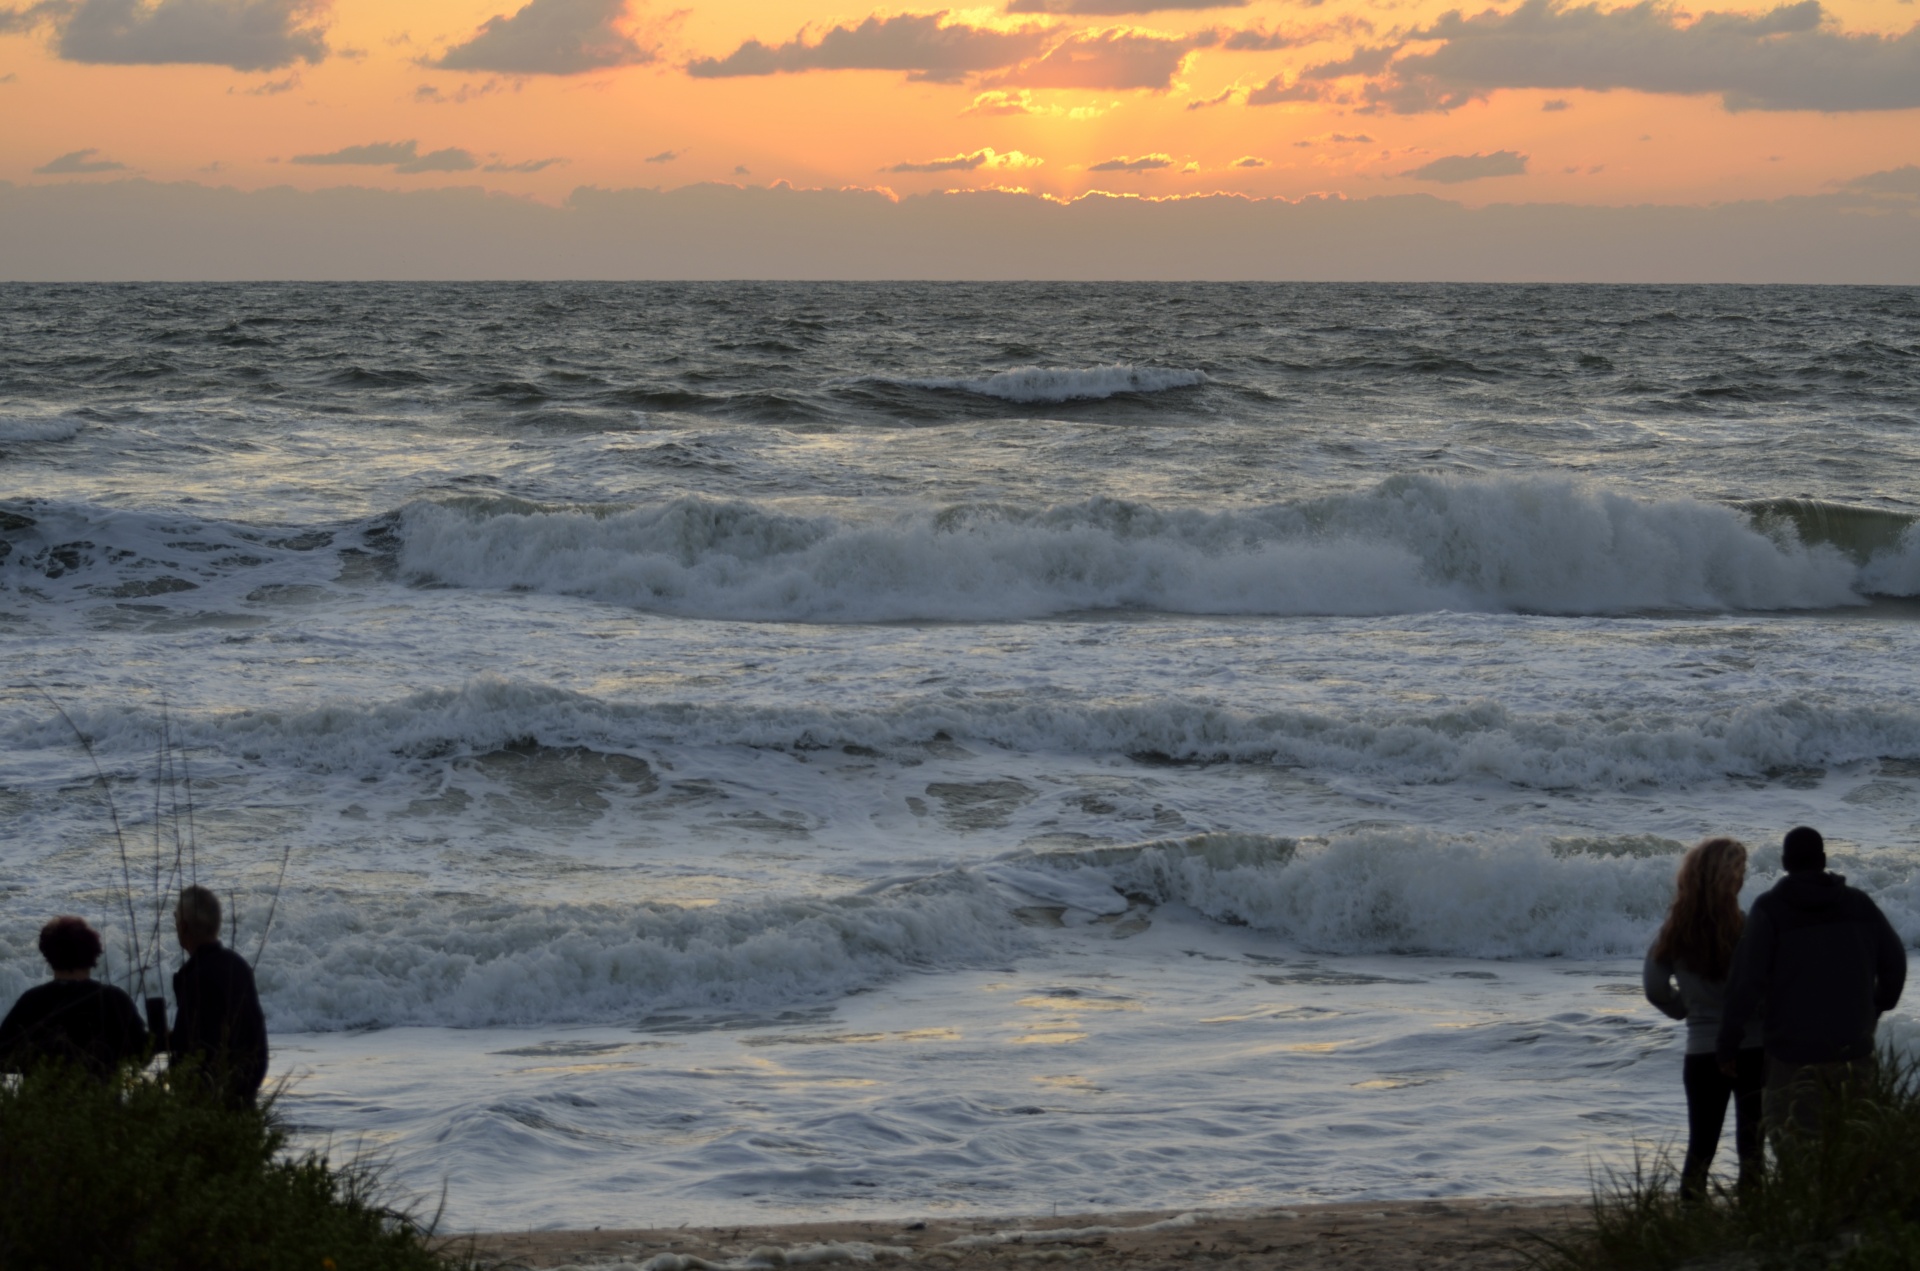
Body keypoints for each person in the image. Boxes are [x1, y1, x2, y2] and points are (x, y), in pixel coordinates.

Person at [1717, 826, 1907, 1138]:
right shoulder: (1860, 905)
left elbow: (1745, 984)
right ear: (1823, 859)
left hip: (1791, 1060)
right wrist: (1875, 1007)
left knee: (1796, 1157)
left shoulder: (1769, 910)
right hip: (1852, 1055)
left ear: (1785, 862)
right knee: (1852, 1158)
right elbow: (1895, 964)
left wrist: (1727, 1043)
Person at [1644, 837, 1766, 1198]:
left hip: (1702, 1048)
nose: (1743, 878)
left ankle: (1690, 1221)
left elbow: (1654, 987)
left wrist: (1684, 1009)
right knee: (1753, 1146)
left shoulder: (1674, 931)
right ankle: (1755, 1224)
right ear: (1731, 878)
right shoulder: (1749, 928)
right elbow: (1768, 983)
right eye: (1740, 871)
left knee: (1701, 1146)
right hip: (1755, 1047)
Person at [0, 915, 148, 1079]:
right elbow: (142, 1056)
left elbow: (4, 1056)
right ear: (93, 952)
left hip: (43, 1102)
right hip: (102, 1101)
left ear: (48, 954)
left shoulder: (31, 1001)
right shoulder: (114, 999)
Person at [169, 885, 269, 1106]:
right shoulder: (238, 965)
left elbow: (193, 1049)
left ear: (184, 927)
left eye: (175, 919)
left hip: (208, 1104)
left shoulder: (197, 976)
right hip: (244, 1091)